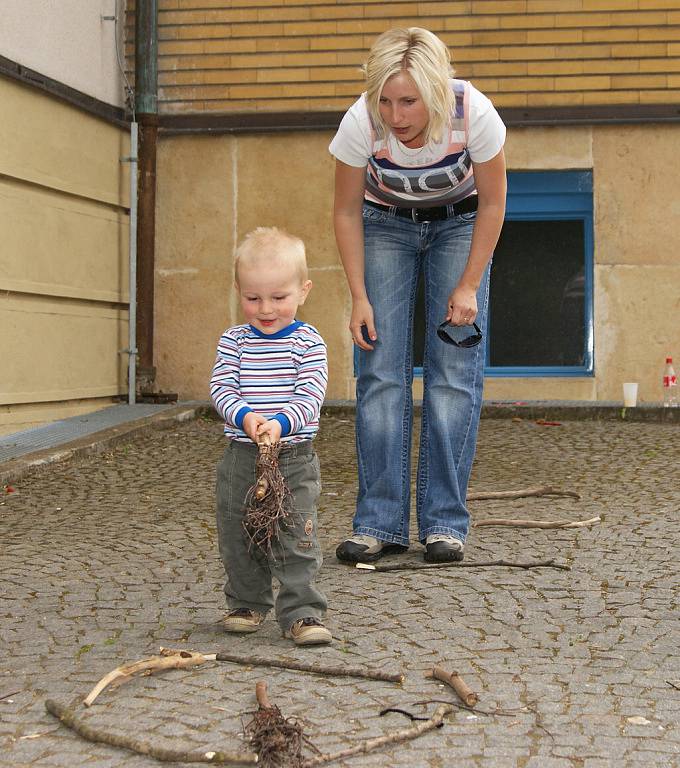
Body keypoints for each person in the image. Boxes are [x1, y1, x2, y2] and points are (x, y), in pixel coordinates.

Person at [329, 27, 507, 564]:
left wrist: (469, 284)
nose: (395, 114)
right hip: (384, 227)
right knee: (381, 373)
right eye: (385, 99)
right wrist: (359, 296)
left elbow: (495, 204)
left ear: (433, 91)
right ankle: (378, 522)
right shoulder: (361, 122)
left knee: (453, 375)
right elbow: (344, 211)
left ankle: (444, 524)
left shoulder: (473, 113)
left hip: (461, 225)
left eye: (407, 101)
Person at [210, 227, 331, 646]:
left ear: (303, 291)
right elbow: (221, 389)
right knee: (237, 530)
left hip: (292, 455)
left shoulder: (309, 342)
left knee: (295, 533)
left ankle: (301, 612)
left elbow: (311, 394)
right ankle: (246, 601)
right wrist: (245, 418)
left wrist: (279, 424)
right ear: (238, 290)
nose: (265, 308)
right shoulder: (233, 341)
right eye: (252, 298)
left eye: (278, 297)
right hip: (241, 455)